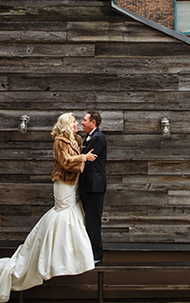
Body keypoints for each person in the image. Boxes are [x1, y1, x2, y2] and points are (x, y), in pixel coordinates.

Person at [0, 113, 98, 302]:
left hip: (73, 185)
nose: (76, 124)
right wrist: (84, 158)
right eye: (73, 121)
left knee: (72, 216)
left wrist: (83, 155)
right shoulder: (59, 141)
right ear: (66, 124)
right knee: (63, 215)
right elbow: (64, 162)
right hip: (63, 183)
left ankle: (68, 258)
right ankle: (50, 258)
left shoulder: (76, 139)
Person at [79, 111, 107, 264]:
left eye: (84, 120)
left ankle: (96, 255)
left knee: (93, 221)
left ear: (93, 123)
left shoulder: (97, 138)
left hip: (94, 186)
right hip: (88, 186)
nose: (81, 122)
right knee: (88, 220)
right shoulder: (90, 137)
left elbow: (87, 160)